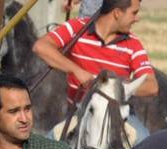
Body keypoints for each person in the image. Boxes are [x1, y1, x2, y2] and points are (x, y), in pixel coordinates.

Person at [35, 0, 157, 139]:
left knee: (144, 140)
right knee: (48, 145)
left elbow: (151, 86)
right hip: (78, 113)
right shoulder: (76, 28)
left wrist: (113, 87)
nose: (137, 18)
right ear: (117, 13)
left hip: (118, 116)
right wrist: (76, 71)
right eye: (134, 13)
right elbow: (41, 47)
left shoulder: (133, 43)